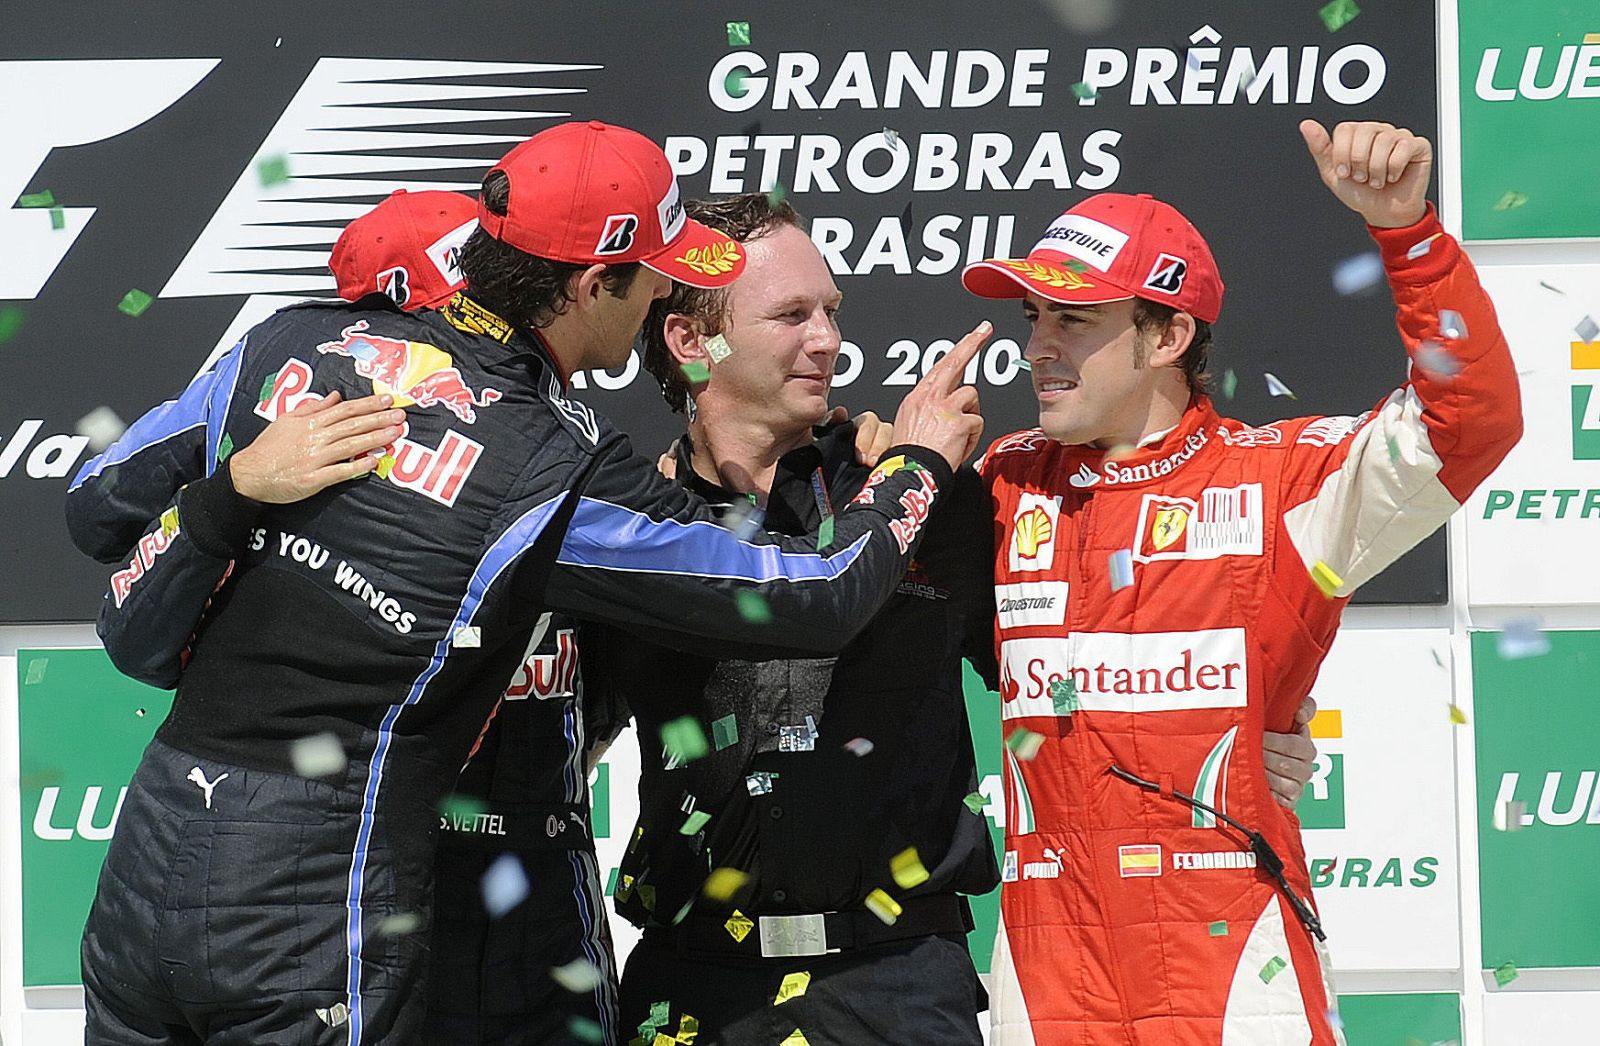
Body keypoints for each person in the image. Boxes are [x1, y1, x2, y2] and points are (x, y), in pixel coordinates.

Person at [64, 120, 982, 1045]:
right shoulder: (548, 463)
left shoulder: (287, 343)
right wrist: (914, 467)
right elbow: (814, 596)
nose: (665, 289)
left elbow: (96, 511)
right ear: (593, 286)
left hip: (154, 854)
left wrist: (233, 491)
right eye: (655, 272)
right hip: (318, 891)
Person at [589, 192, 1320, 1045]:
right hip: (692, 986)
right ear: (691, 341)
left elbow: (1077, 680)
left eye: (831, 310)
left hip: (900, 983)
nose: (827, 339)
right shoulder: (627, 528)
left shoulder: (920, 495)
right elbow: (548, 736)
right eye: (793, 315)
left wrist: (1234, 735)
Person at [963, 120, 1521, 1044]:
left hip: (1230, 950)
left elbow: (1471, 423)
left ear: (1168, 333)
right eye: (1034, 319)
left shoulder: (1283, 487)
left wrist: (1408, 236)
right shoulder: (1000, 484)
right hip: (1046, 960)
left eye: (1074, 319)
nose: (1039, 347)